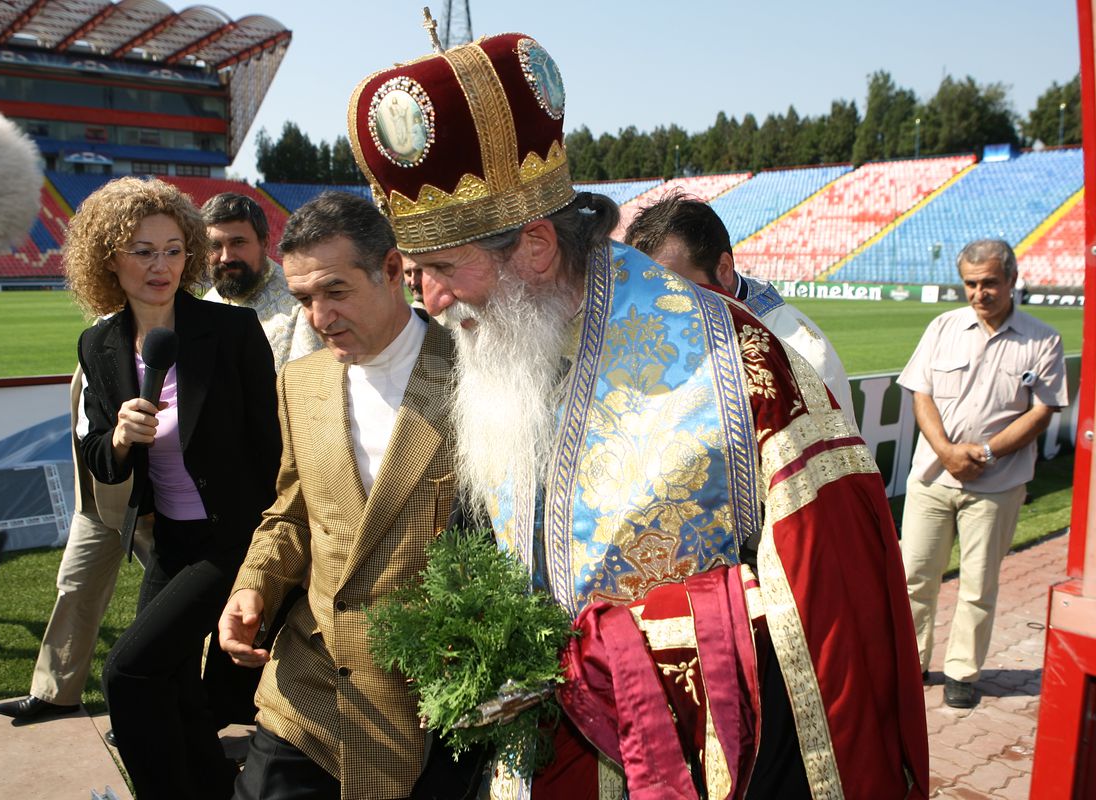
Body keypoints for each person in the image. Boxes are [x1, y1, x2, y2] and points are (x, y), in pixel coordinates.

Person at [348, 26, 928, 799]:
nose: (432, 302)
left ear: (537, 249)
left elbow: (832, 622)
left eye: (447, 270)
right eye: (418, 274)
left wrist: (601, 656)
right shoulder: (509, 353)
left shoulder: (744, 371)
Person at [217, 191, 465, 800]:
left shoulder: (476, 377)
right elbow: (292, 513)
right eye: (303, 299)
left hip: (433, 703)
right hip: (307, 692)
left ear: (391, 270)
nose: (318, 317)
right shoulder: (300, 383)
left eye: (334, 291)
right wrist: (254, 584)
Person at [66, 176, 280, 799]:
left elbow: (271, 450)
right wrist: (123, 439)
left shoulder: (233, 332)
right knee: (174, 682)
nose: (160, 266)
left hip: (233, 537)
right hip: (168, 542)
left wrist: (272, 556)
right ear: (108, 258)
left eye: (172, 249)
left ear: (189, 253)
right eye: (141, 250)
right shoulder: (98, 344)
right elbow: (101, 462)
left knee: (128, 672)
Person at [898, 239, 1066, 709]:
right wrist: (948, 452)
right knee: (914, 577)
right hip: (932, 477)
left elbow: (1043, 410)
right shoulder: (942, 326)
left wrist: (986, 453)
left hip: (998, 483)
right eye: (971, 283)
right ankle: (910, 663)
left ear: (1012, 280)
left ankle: (962, 673)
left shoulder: (1043, 339)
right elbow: (921, 394)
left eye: (990, 282)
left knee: (978, 582)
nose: (979, 293)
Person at [0, 367, 154, 723]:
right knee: (74, 586)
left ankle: (183, 710)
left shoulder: (161, 327)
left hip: (150, 501)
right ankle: (55, 693)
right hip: (95, 498)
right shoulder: (100, 331)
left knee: (175, 603)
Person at [625, 193, 856, 426]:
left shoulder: (803, 361)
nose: (654, 306)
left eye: (672, 286)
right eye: (644, 288)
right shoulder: (640, 338)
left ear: (724, 270)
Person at [201, 192, 321, 369]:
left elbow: (305, 390)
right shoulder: (206, 303)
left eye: (238, 242)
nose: (226, 257)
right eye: (215, 246)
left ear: (265, 243)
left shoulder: (300, 304)